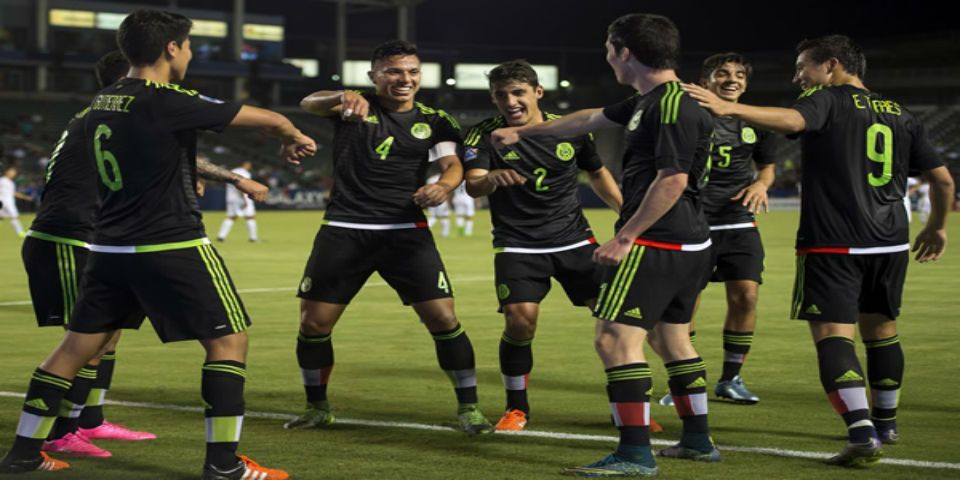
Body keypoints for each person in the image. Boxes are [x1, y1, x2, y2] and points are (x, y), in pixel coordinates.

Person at [0, 10, 315, 478]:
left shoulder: (100, 102)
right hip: (170, 244)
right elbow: (262, 117)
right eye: (187, 46)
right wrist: (291, 132)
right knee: (229, 341)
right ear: (171, 48)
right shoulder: (166, 98)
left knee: (72, 350)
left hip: (107, 250)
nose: (188, 54)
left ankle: (24, 452)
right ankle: (224, 465)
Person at [683, 33, 954, 467]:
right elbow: (943, 180)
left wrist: (728, 107)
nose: (797, 76)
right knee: (883, 330)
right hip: (891, 241)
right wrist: (937, 228)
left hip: (833, 242)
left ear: (830, 65)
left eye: (803, 67)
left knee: (833, 336)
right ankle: (886, 423)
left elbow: (792, 122)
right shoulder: (900, 112)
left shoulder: (826, 99)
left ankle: (862, 432)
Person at [493, 13, 718, 476]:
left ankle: (634, 454)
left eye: (608, 48)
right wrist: (523, 132)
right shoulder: (651, 100)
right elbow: (586, 119)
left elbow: (672, 179)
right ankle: (697, 440)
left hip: (659, 242)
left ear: (624, 51)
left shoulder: (668, 106)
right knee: (674, 340)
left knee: (615, 339)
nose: (608, 56)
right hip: (691, 242)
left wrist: (626, 235)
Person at [291, 39, 493, 434]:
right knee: (313, 325)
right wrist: (342, 95)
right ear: (374, 76)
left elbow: (451, 163)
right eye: (395, 71)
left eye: (413, 72)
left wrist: (445, 186)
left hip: (405, 232)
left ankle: (469, 408)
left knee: (444, 318)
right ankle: (317, 407)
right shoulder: (352, 106)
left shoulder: (437, 120)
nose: (405, 79)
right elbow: (308, 104)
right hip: (345, 229)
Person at [463, 59, 623, 432]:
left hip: (575, 240)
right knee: (521, 322)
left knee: (615, 322)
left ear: (537, 92)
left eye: (518, 92)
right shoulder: (482, 135)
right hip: (517, 244)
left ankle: (625, 408)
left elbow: (597, 172)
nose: (510, 101)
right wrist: (491, 180)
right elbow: (472, 184)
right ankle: (516, 409)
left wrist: (625, 212)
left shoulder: (569, 131)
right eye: (501, 95)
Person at [660, 53, 777, 408]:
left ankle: (731, 378)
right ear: (706, 80)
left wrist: (762, 185)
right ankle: (683, 380)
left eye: (740, 74)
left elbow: (767, 167)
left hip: (739, 221)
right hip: (694, 222)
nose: (732, 79)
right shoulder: (688, 114)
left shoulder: (756, 121)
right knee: (687, 303)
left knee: (747, 296)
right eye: (723, 73)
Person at [216, 160, 260, 242]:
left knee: (231, 217)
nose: (250, 167)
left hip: (231, 197)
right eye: (249, 165)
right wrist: (245, 200)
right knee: (250, 217)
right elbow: (242, 186)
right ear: (245, 164)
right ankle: (253, 238)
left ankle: (221, 236)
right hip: (241, 198)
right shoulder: (245, 173)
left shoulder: (233, 171)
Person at [0, 165, 30, 237]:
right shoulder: (2, 180)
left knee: (5, 217)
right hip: (4, 201)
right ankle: (20, 232)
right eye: (12, 172)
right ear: (7, 172)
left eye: (14, 172)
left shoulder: (11, 183)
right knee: (14, 216)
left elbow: (13, 193)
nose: (13, 174)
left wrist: (25, 197)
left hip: (9, 201)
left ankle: (20, 232)